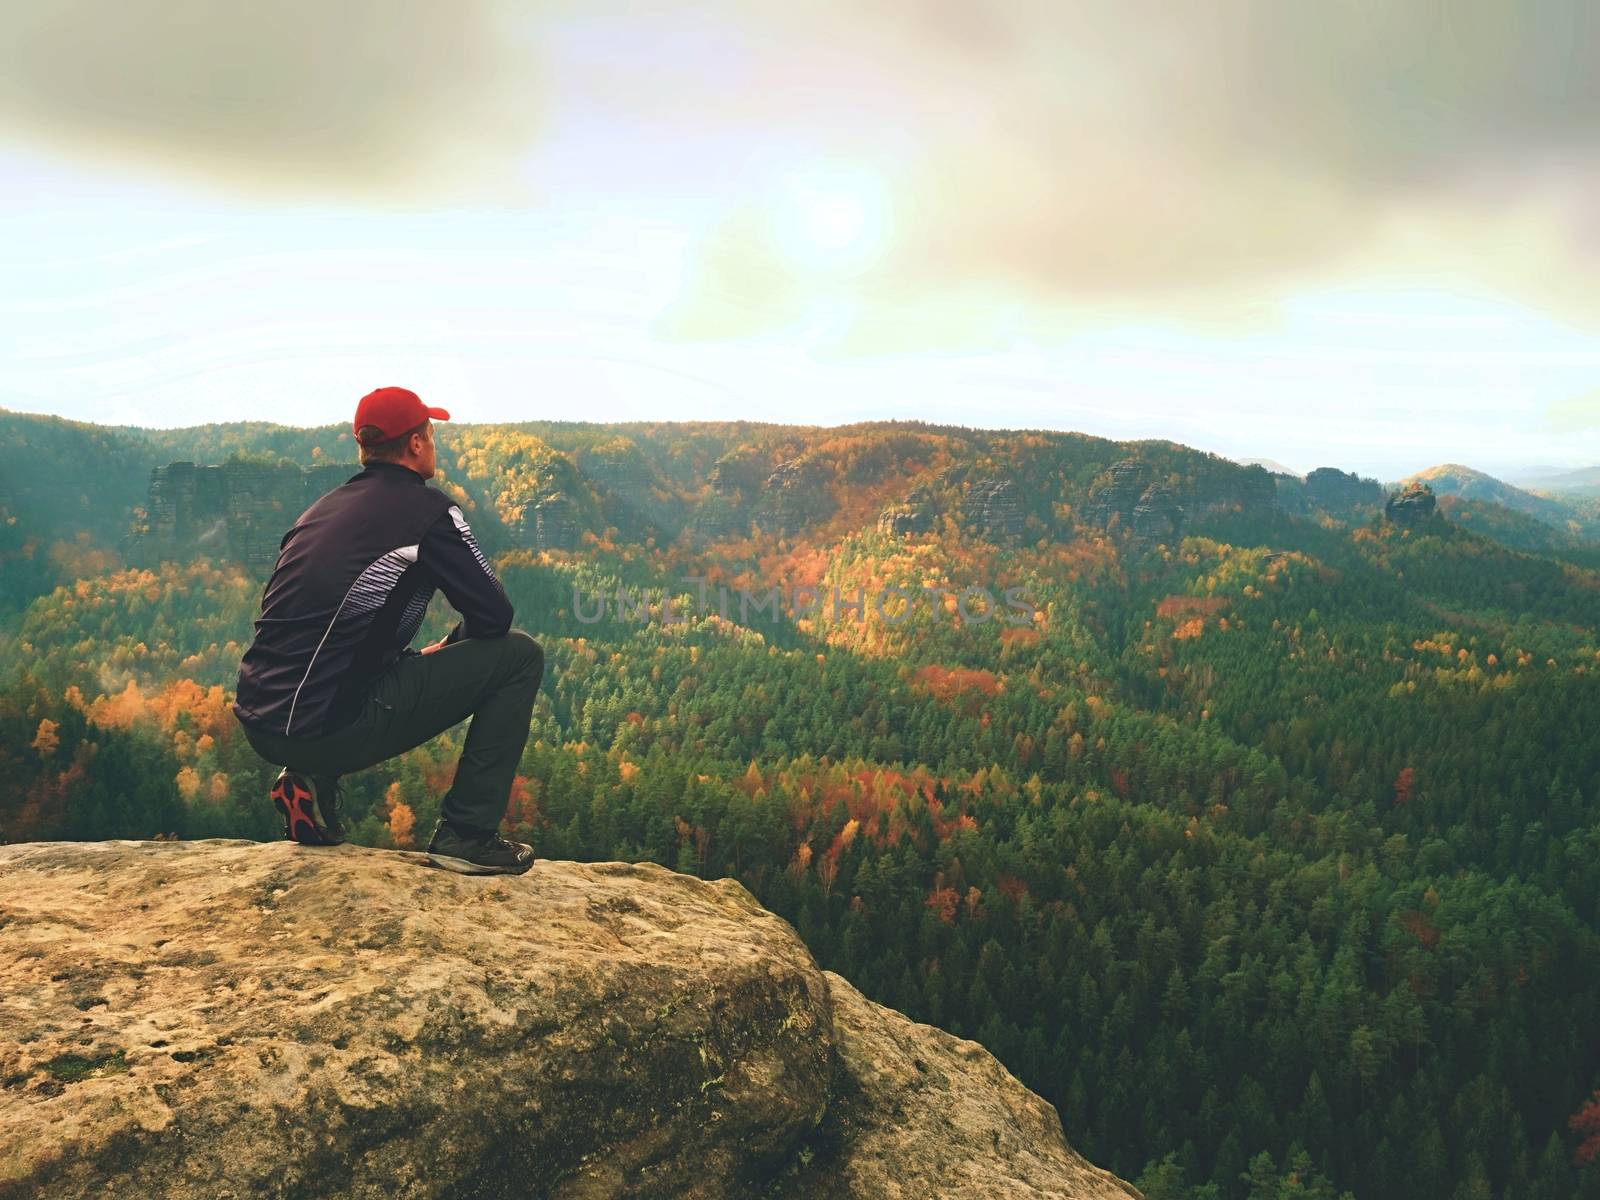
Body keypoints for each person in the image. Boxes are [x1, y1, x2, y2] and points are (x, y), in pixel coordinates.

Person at [231, 386, 543, 875]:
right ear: (416, 445)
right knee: (520, 656)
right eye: (431, 434)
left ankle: (308, 783)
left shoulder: (321, 510)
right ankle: (466, 834)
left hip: (261, 722)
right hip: (327, 729)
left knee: (364, 667)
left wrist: (424, 656)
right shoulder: (428, 514)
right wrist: (456, 645)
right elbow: (494, 616)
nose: (435, 444)